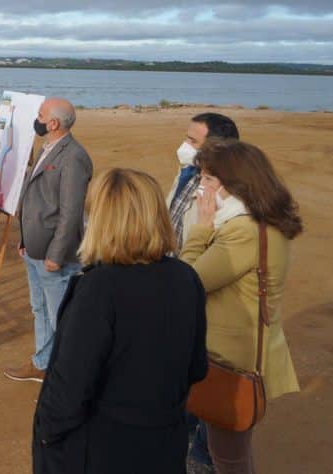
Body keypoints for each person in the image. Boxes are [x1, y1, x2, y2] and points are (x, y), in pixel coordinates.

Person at [32, 168, 208, 474]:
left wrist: (47, 436)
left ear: (102, 221)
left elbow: (68, 389)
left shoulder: (98, 288)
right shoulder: (186, 278)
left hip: (103, 451)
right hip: (164, 444)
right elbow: (196, 367)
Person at [180, 140, 302, 474]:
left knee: (229, 456)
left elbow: (186, 282)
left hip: (230, 362)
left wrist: (200, 230)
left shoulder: (242, 230)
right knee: (223, 448)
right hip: (234, 353)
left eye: (206, 179)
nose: (199, 188)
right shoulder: (258, 220)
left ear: (234, 185)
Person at [165, 112, 238, 473]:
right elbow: (171, 218)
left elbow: (212, 260)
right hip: (178, 286)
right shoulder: (189, 175)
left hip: (203, 297)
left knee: (208, 376)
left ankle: (205, 453)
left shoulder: (231, 197)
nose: (184, 146)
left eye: (192, 141)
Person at [5, 97, 92, 382]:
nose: (37, 119)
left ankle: (73, 377)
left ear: (53, 123)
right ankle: (43, 363)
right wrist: (25, 240)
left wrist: (56, 253)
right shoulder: (49, 147)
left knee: (61, 318)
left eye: (41, 115)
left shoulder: (74, 156)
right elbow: (35, 199)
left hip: (54, 255)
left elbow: (70, 212)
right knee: (39, 308)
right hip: (34, 248)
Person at [168, 112, 240, 248]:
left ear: (217, 148)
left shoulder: (225, 192)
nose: (185, 145)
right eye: (187, 138)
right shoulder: (187, 170)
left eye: (193, 141)